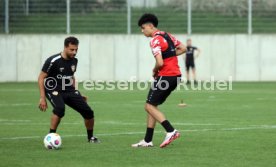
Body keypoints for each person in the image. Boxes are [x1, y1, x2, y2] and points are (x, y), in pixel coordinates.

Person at [132, 13, 186, 148]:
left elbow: (160, 63)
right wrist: (170, 56)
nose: (142, 31)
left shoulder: (155, 40)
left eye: (143, 28)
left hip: (166, 75)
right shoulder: (167, 35)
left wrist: (154, 70)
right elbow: (183, 48)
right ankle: (147, 140)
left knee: (148, 106)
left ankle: (171, 131)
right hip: (176, 75)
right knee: (152, 106)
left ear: (151, 26)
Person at [38, 36, 99, 143]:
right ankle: (51, 137)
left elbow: (71, 76)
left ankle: (91, 138)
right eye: (72, 49)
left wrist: (77, 92)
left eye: (76, 49)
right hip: (53, 89)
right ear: (65, 47)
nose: (74, 52)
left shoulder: (74, 61)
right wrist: (42, 98)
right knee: (60, 109)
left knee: (88, 112)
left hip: (69, 90)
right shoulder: (53, 60)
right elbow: (41, 77)